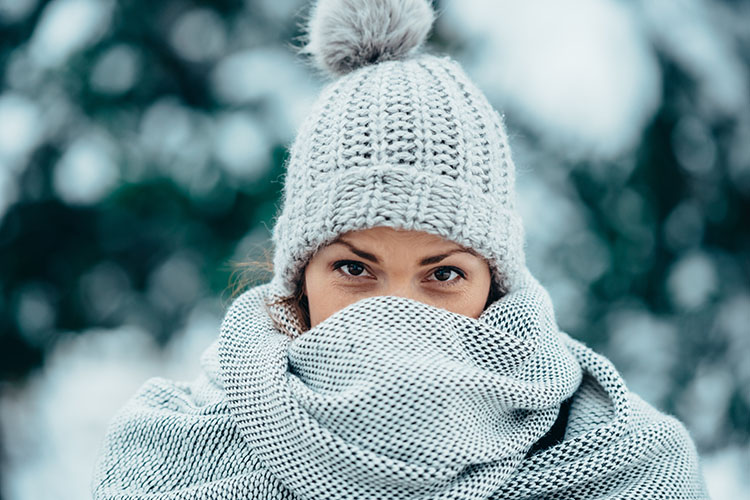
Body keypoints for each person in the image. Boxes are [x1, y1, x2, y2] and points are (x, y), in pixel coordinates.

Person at [92, 0, 710, 498]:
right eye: (355, 268)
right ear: (299, 278)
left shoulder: (628, 465)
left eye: (441, 274)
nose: (394, 312)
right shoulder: (169, 456)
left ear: (495, 284)